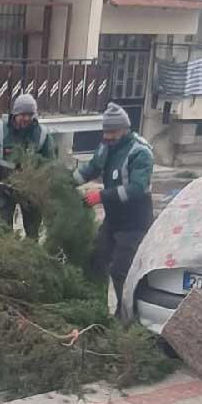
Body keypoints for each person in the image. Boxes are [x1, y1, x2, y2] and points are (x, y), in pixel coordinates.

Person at [73, 102, 154, 318]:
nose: (107, 136)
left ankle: (126, 318)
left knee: (121, 272)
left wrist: (101, 196)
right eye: (105, 131)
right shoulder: (106, 146)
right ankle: (97, 310)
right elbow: (92, 168)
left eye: (112, 132)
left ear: (124, 129)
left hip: (134, 223)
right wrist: (67, 182)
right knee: (96, 259)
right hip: (114, 220)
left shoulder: (140, 152)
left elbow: (137, 189)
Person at [0, 93, 54, 239]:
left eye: (30, 115)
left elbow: (50, 163)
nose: (26, 118)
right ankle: (6, 251)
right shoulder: (1, 131)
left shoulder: (42, 134)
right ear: (15, 113)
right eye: (23, 114)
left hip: (32, 192)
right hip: (5, 188)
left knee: (32, 231)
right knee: (3, 230)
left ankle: (31, 250)